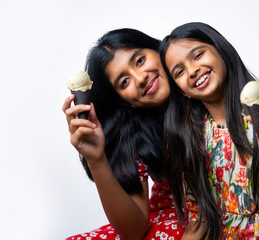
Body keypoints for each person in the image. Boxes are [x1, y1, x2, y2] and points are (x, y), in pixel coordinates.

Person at [159, 22, 259, 240]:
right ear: (181, 91)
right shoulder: (190, 136)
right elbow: (198, 220)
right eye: (179, 71)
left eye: (197, 55)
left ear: (221, 50)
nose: (192, 70)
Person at [63, 29, 184, 240]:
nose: (140, 78)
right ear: (122, 100)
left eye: (139, 61)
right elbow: (134, 231)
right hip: (166, 223)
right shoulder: (138, 136)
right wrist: (96, 158)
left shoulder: (203, 87)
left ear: (158, 50)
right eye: (124, 82)